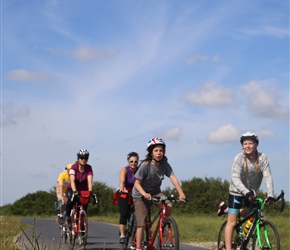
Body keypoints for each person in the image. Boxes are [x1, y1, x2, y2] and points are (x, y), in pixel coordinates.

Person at [217, 132, 275, 250]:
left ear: (256, 145)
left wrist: (270, 194)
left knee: (253, 214)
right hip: (236, 191)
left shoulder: (262, 157)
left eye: (250, 143)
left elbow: (267, 176)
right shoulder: (239, 158)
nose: (248, 146)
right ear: (242, 146)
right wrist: (245, 192)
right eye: (245, 144)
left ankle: (227, 210)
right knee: (232, 222)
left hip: (251, 191)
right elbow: (235, 178)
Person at [132, 138, 186, 250]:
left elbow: (173, 177)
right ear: (151, 152)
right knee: (141, 222)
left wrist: (181, 194)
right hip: (140, 194)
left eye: (161, 151)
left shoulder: (165, 164)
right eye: (156, 150)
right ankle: (138, 247)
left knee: (169, 205)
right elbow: (137, 183)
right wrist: (144, 193)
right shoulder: (145, 165)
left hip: (155, 192)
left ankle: (164, 224)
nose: (159, 153)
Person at [65, 149, 93, 227]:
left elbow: (90, 181)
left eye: (86, 158)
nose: (84, 160)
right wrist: (74, 191)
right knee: (71, 199)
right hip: (73, 189)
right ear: (78, 158)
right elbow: (72, 180)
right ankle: (67, 216)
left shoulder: (89, 168)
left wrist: (90, 191)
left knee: (84, 205)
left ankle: (82, 229)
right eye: (81, 158)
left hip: (83, 190)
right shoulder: (73, 168)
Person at [118, 151, 139, 244]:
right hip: (125, 192)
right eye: (131, 161)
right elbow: (122, 181)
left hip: (135, 193)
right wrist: (123, 189)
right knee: (124, 213)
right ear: (128, 162)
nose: (133, 163)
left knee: (139, 214)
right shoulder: (125, 170)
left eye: (135, 161)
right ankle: (122, 235)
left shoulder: (140, 170)